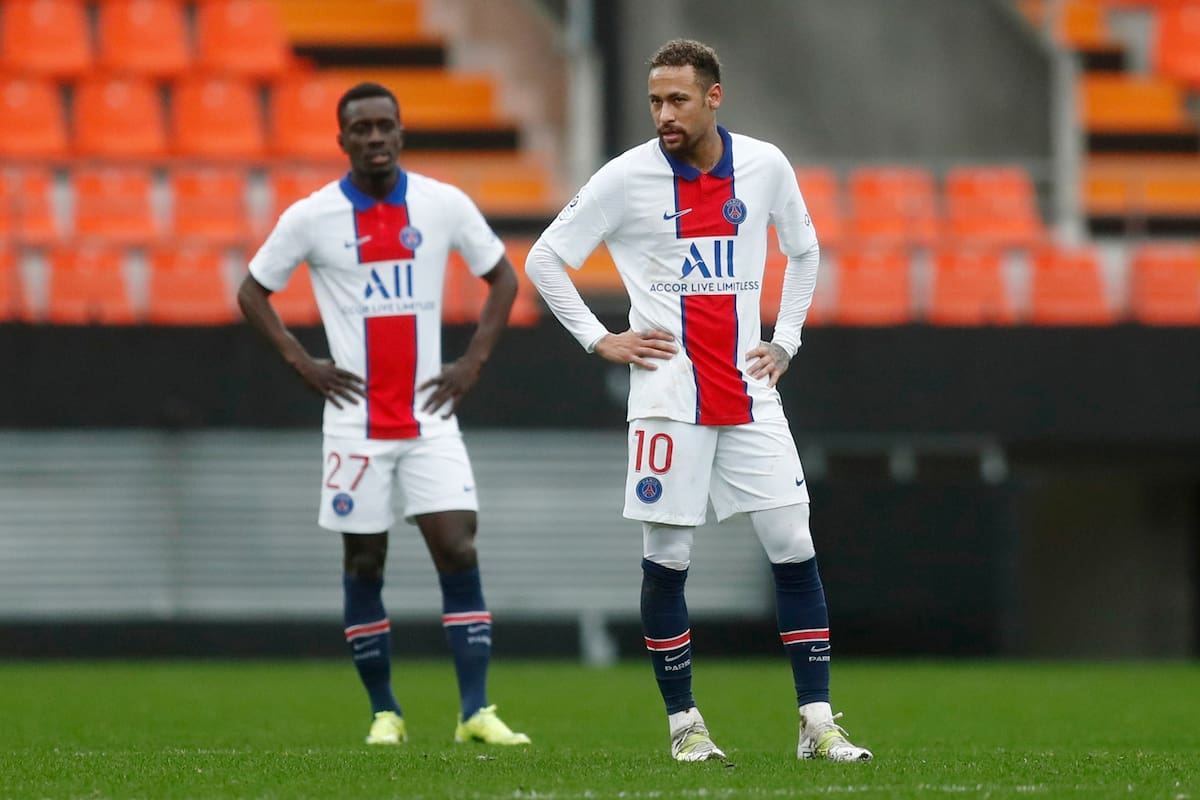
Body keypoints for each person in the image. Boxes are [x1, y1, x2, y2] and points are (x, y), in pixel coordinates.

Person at [524, 39, 872, 763]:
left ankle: (817, 721)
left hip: (750, 390)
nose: (664, 114)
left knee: (794, 546)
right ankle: (685, 726)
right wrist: (599, 339)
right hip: (667, 398)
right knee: (669, 557)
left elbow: (804, 251)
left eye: (677, 99)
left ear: (715, 96)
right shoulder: (627, 178)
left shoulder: (767, 166)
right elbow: (545, 257)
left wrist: (788, 340)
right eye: (655, 100)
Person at [238, 81, 530, 748]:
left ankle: (475, 712)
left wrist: (472, 362)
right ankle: (384, 712)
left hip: (429, 415)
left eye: (384, 126)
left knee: (457, 546)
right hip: (354, 424)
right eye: (361, 128)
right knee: (366, 561)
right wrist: (301, 363)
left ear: (401, 132)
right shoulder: (312, 218)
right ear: (342, 141)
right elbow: (252, 291)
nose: (374, 137)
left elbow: (503, 276)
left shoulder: (441, 204)